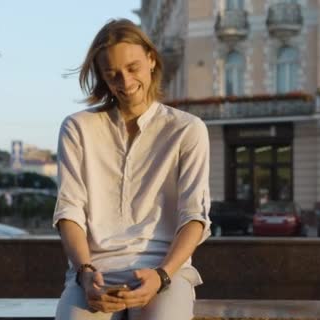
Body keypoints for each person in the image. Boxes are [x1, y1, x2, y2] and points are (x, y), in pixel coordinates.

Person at [52, 19, 211, 320]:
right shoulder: (77, 128)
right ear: (101, 76)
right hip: (94, 272)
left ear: (151, 59)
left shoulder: (188, 129)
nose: (124, 82)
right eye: (112, 74)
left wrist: (162, 275)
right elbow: (69, 211)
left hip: (166, 271)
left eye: (133, 68)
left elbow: (195, 217)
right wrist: (85, 274)